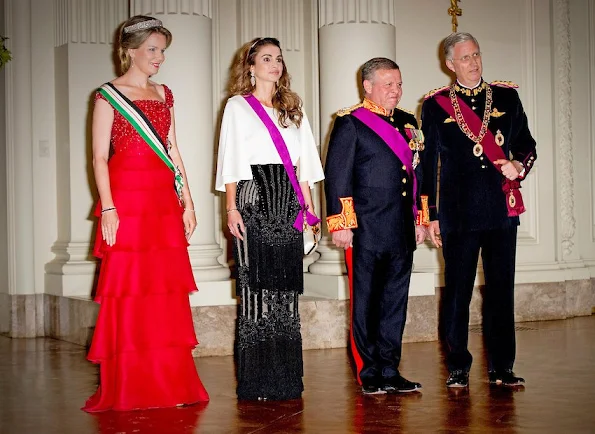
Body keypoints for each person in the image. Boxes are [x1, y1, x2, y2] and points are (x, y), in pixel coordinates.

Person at [84, 15, 209, 412]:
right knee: (130, 289)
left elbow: (174, 151)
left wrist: (187, 202)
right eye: (152, 49)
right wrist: (107, 206)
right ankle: (131, 384)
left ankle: (169, 381)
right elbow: (100, 157)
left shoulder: (164, 93)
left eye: (163, 51)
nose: (159, 57)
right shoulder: (108, 95)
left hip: (160, 200)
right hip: (126, 200)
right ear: (131, 50)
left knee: (163, 289)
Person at [420, 32, 537, 388]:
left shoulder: (506, 96)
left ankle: (502, 366)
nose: (473, 62)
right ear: (450, 64)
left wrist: (519, 166)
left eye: (476, 55)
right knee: (457, 292)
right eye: (465, 58)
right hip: (458, 213)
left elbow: (527, 145)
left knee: (501, 289)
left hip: (501, 210)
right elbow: (428, 165)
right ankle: (458, 365)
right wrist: (431, 215)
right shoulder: (435, 104)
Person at [215, 37, 324, 401]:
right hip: (252, 198)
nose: (274, 64)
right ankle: (256, 381)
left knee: (286, 292)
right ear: (250, 66)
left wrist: (309, 210)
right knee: (256, 291)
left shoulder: (293, 108)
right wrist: (230, 207)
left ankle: (286, 379)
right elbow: (230, 160)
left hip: (289, 200)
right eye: (266, 58)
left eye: (278, 58)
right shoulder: (236, 107)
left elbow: (305, 166)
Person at [325, 58, 427, 395]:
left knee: (395, 302)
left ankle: (390, 368)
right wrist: (342, 225)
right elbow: (338, 177)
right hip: (365, 229)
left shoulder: (409, 123)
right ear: (367, 86)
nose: (395, 90)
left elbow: (417, 177)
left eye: (398, 83)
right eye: (387, 84)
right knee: (366, 301)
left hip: (400, 227)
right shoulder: (350, 123)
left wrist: (420, 218)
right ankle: (369, 371)